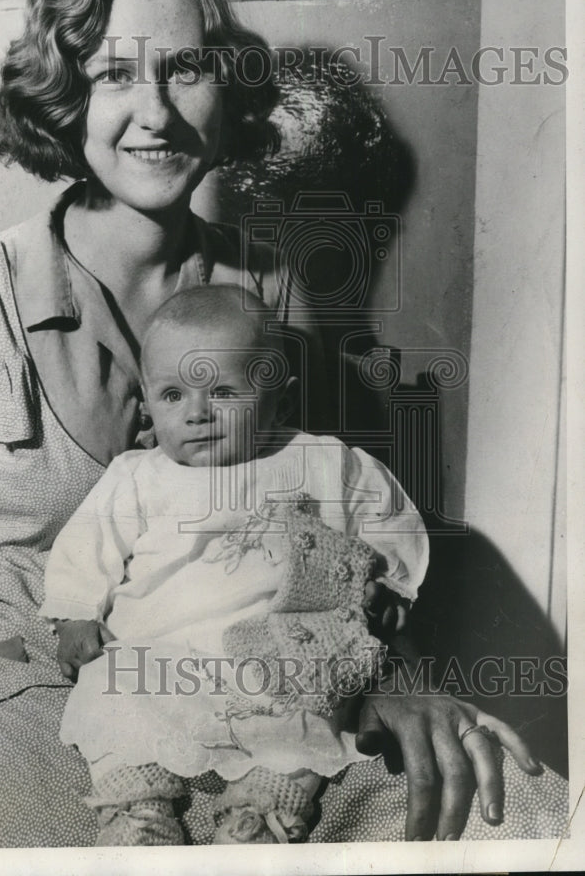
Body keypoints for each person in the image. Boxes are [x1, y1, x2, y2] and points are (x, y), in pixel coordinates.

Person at [0, 0, 557, 850]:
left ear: (226, 92)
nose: (154, 112)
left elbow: (320, 541)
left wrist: (395, 675)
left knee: (509, 808)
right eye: (113, 73)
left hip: (251, 696)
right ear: (65, 97)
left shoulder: (266, 294)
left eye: (185, 68)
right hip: (22, 693)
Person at [42, 283, 432, 845]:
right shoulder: (137, 475)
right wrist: (76, 613)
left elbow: (389, 518)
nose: (196, 413)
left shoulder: (324, 461)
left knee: (312, 709)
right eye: (173, 395)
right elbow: (87, 544)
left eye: (222, 392)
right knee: (111, 691)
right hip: (158, 652)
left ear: (281, 400)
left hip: (283, 654)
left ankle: (261, 812)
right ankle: (136, 808)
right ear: (146, 404)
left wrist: (386, 584)